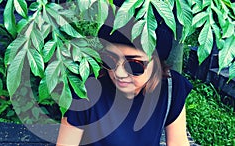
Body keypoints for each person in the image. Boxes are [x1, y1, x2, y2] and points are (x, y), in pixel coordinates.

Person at [56, 5, 193, 146]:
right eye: (110, 59)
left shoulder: (171, 88)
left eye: (134, 64)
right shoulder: (86, 89)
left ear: (157, 63)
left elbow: (178, 142)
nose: (119, 73)